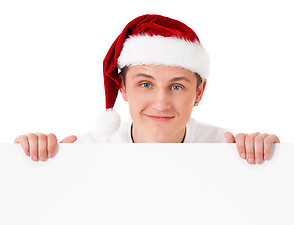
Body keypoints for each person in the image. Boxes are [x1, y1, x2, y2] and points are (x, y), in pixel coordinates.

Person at [14, 14, 280, 164]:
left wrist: (272, 161)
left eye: (177, 86)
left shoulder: (229, 151)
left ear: (199, 92)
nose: (161, 102)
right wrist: (26, 158)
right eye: (145, 84)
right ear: (123, 89)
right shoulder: (85, 152)